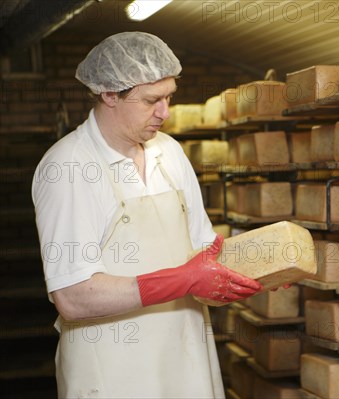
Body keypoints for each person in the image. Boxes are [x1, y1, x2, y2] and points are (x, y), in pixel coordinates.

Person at [32, 31, 263, 398]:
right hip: (113, 371)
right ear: (109, 94)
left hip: (186, 360)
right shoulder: (69, 166)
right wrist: (183, 281)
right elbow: (73, 297)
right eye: (151, 100)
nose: (165, 113)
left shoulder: (168, 152)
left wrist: (256, 268)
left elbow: (204, 254)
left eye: (169, 97)